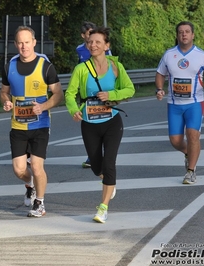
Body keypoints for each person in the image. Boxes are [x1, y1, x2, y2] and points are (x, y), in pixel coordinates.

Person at [65, 26, 135, 223]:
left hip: (112, 121)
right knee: (97, 167)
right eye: (90, 42)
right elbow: (70, 94)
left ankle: (103, 207)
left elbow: (129, 89)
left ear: (107, 45)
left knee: (109, 162)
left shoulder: (115, 67)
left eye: (97, 42)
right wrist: (74, 109)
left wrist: (112, 95)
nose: (93, 45)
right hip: (89, 122)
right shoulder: (81, 69)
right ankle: (108, 181)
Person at [0, 25, 63, 217]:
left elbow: (58, 93)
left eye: (27, 42)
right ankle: (31, 184)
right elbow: (4, 92)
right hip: (18, 125)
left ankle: (40, 203)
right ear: (15, 44)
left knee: (36, 165)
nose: (24, 46)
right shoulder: (8, 66)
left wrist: (43, 107)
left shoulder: (46, 66)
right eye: (20, 42)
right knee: (19, 170)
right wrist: (7, 102)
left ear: (34, 42)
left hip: (40, 125)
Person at [156, 21, 204, 185]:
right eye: (180, 32)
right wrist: (159, 89)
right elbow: (160, 74)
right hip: (174, 104)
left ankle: (191, 171)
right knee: (175, 141)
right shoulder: (169, 55)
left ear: (192, 35)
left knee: (193, 136)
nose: (183, 34)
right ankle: (188, 152)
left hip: (195, 103)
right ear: (177, 35)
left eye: (187, 32)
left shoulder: (201, 55)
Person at [76, 21, 112, 168]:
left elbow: (110, 63)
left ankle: (104, 153)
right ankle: (93, 155)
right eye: (89, 34)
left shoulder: (103, 48)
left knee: (103, 121)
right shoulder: (79, 49)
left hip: (102, 90)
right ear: (83, 35)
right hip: (87, 92)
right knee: (89, 122)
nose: (92, 39)